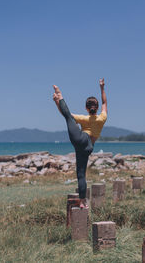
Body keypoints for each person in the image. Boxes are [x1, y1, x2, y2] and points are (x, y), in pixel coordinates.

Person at [52, 78, 107, 208]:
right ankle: (83, 201)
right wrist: (102, 88)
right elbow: (105, 101)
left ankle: (60, 96)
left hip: (82, 139)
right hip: (88, 148)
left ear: (86, 108)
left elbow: (67, 115)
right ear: (97, 108)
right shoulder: (102, 118)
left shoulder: (83, 118)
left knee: (69, 118)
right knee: (81, 174)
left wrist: (57, 102)